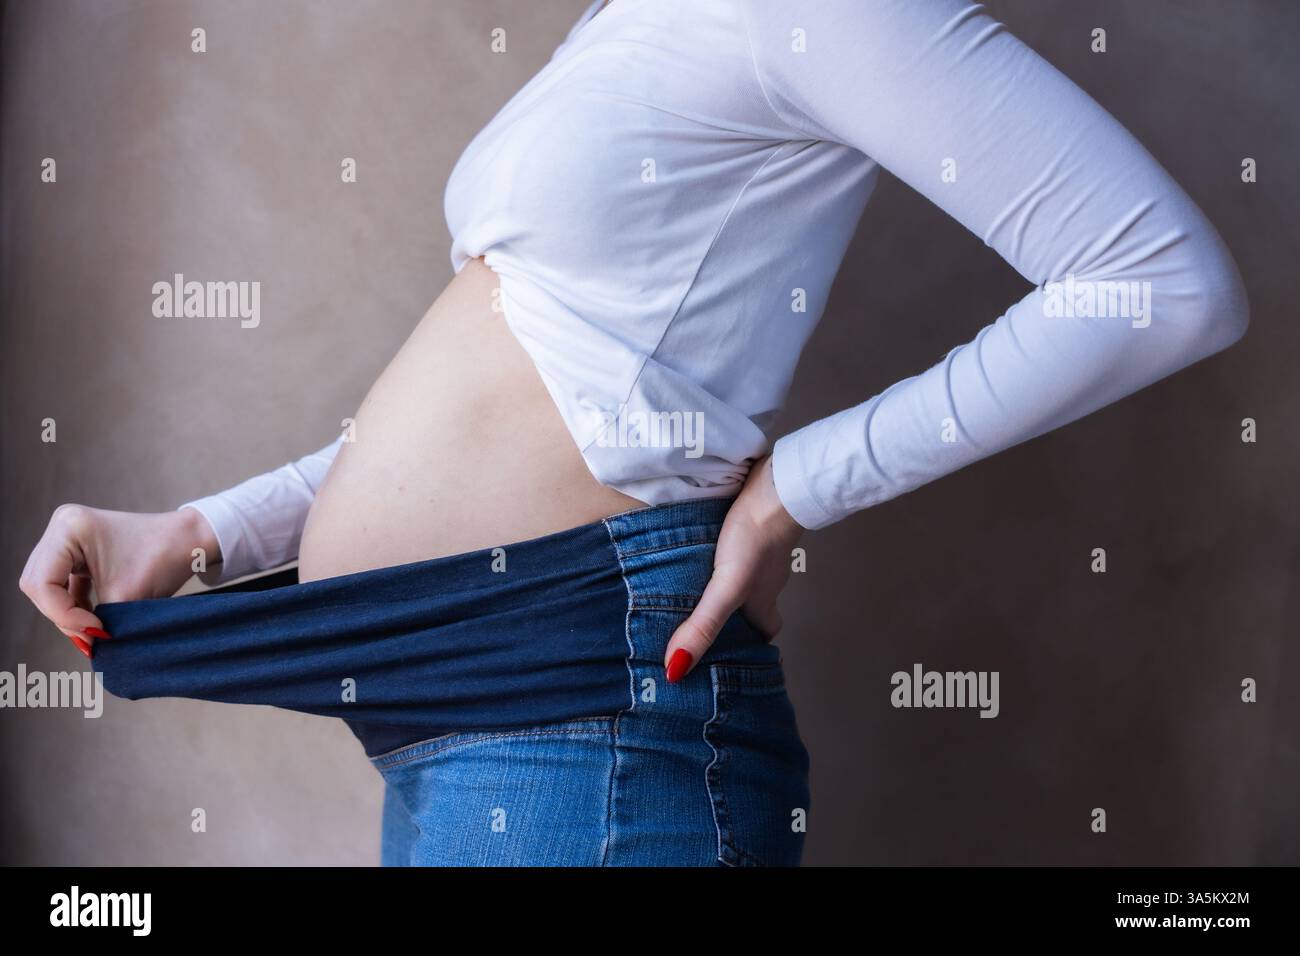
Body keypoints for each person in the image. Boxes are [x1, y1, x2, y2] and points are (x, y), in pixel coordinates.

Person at [18, 0, 1248, 866]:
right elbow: (549, 382)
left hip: (584, 714)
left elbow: (1156, 279)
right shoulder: (621, 20)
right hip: (448, 717)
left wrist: (790, 491)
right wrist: (204, 532)